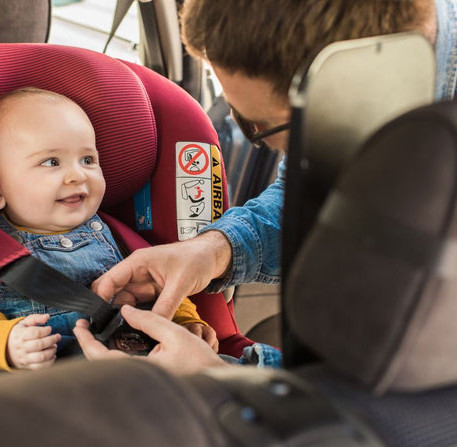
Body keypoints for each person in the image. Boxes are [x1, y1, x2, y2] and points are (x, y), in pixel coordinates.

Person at [73, 0, 457, 374]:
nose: (262, 142)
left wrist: (225, 379)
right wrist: (211, 251)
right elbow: (305, 195)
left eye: (265, 125)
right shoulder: (346, 91)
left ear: (364, 76)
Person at [0, 87, 217, 372]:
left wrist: (185, 321)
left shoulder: (118, 236)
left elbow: (161, 285)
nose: (77, 175)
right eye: (51, 162)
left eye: (87, 160)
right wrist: (6, 343)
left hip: (152, 368)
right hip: (63, 387)